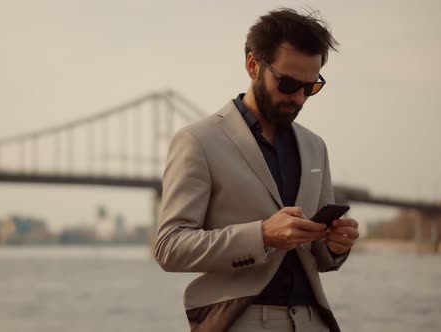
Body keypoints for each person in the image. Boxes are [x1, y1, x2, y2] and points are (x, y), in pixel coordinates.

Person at [153, 8, 359, 332]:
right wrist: (262, 235)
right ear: (253, 65)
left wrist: (334, 246)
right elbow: (169, 247)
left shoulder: (315, 146)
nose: (299, 98)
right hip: (240, 320)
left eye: (310, 87)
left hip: (313, 320)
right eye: (288, 83)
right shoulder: (198, 141)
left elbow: (317, 256)